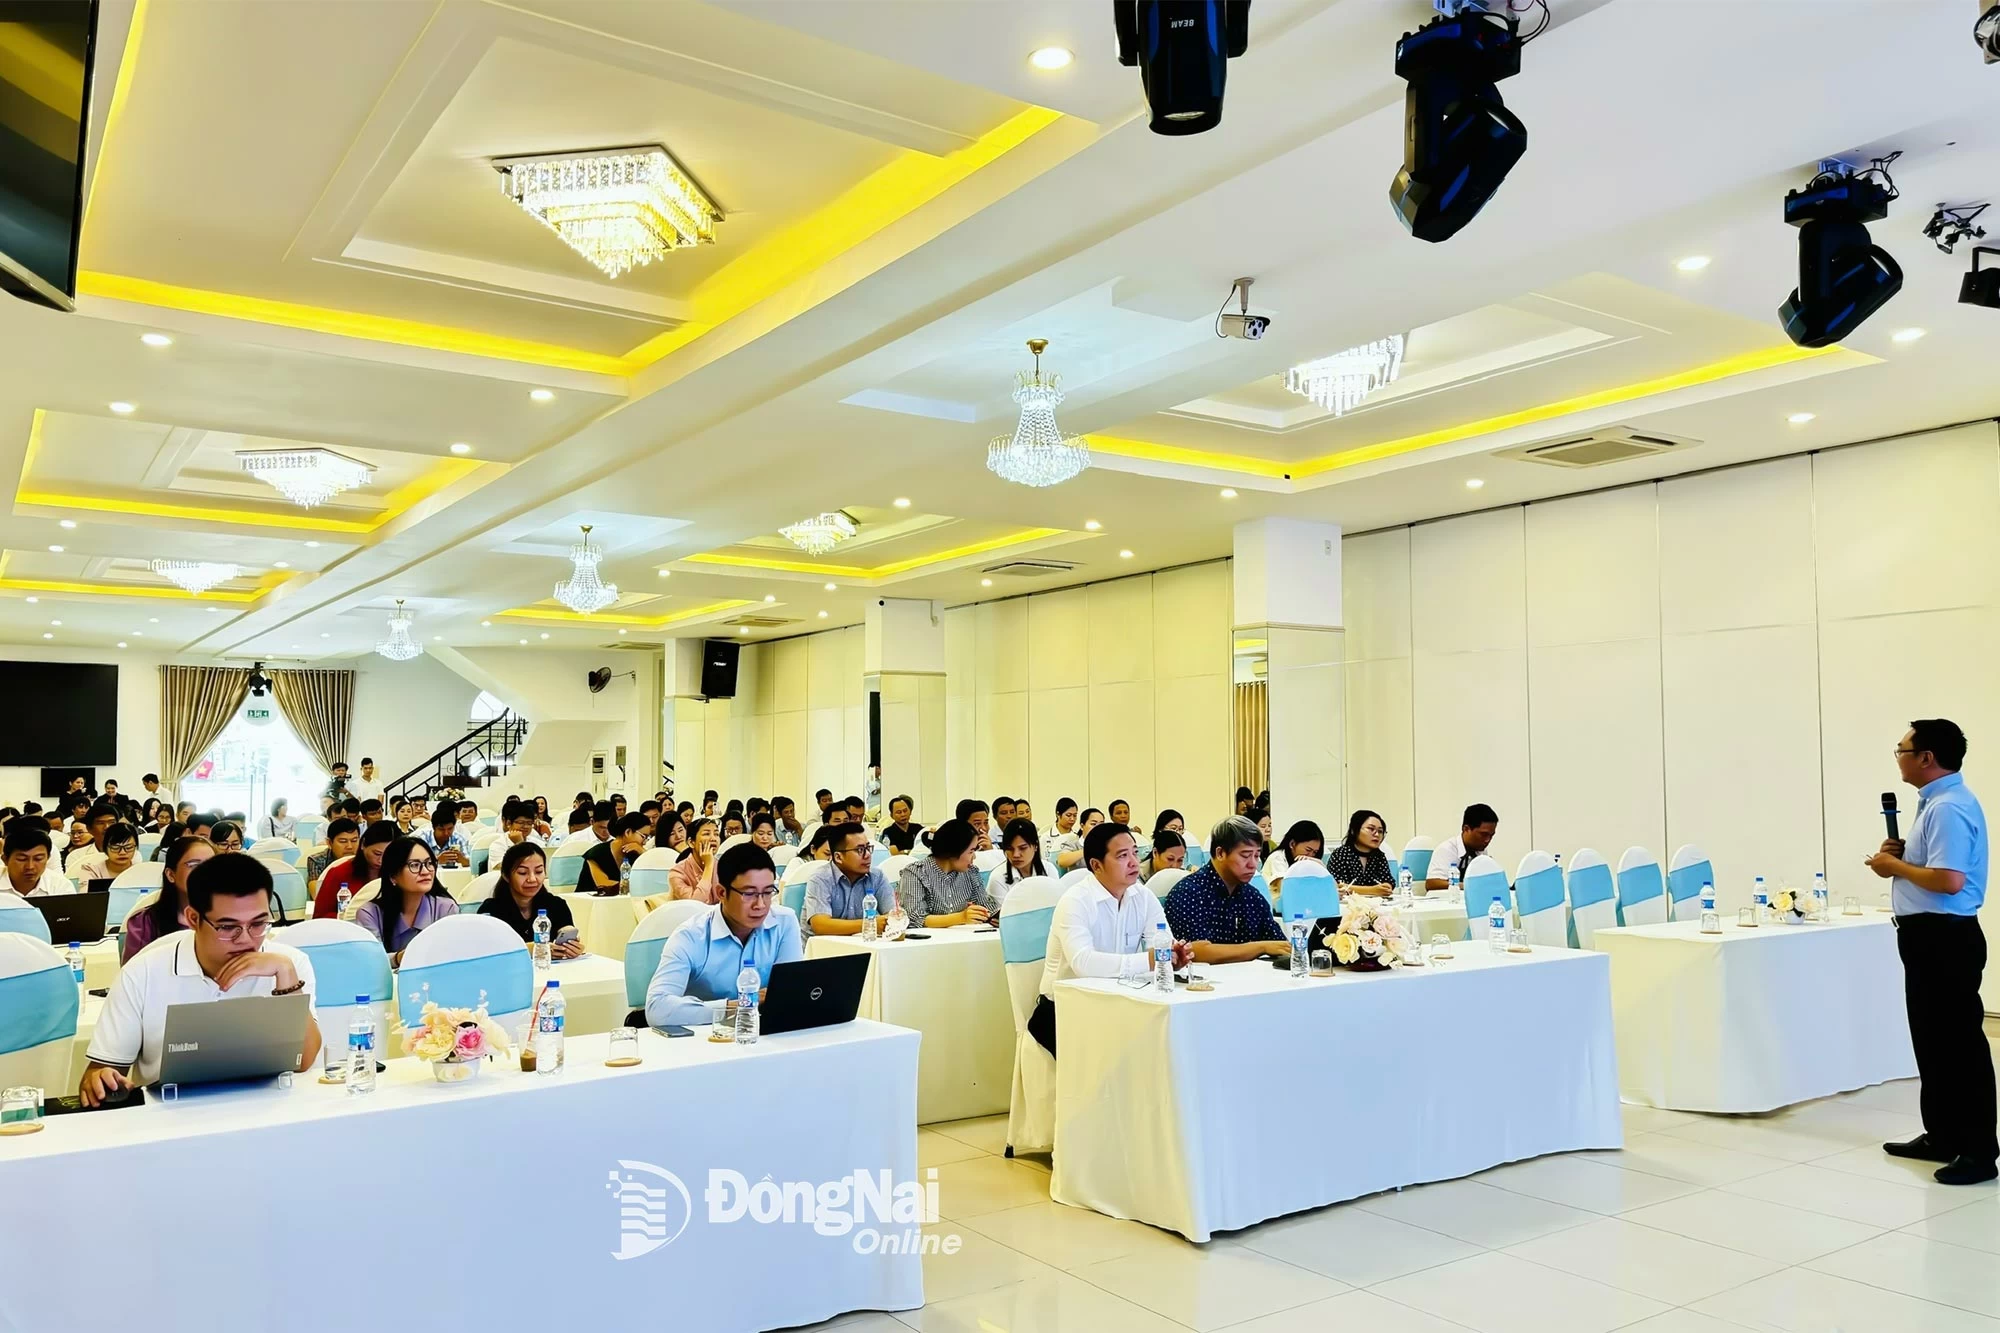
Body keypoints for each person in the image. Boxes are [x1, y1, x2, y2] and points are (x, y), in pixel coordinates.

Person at [1864, 719, 1996, 1185]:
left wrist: (1894, 866)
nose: (1897, 756)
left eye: (1901, 749)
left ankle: (1979, 1152)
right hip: (1926, 936)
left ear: (1926, 757)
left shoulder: (1948, 807)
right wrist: (1899, 859)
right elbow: (1934, 869)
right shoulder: (1933, 803)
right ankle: (1941, 1134)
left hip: (1946, 937)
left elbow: (1949, 880)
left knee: (1959, 1045)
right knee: (1932, 1040)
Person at [81, 853, 320, 1105]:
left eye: (259, 924)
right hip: (170, 1116)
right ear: (193, 918)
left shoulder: (289, 963)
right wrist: (100, 1080)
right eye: (228, 927)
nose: (246, 939)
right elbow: (99, 1073)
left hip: (270, 1110)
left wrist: (287, 976)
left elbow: (304, 1062)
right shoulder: (143, 972)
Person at [1031, 822, 1191, 1054]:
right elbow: (1083, 963)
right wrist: (1151, 959)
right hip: (1065, 1013)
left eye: (1135, 853)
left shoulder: (1144, 897)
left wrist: (1174, 959)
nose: (1134, 862)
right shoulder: (1075, 901)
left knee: (1171, 1043)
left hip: (1120, 1003)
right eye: (1122, 856)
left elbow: (1162, 946)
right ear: (1096, 865)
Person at [644, 842, 802, 1028]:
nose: (760, 904)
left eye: (768, 892)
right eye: (749, 894)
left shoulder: (784, 922)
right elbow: (656, 1009)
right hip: (704, 1041)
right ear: (721, 892)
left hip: (765, 1036)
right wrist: (736, 1007)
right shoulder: (691, 936)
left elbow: (791, 993)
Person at [1164, 816, 1288, 964]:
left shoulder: (1252, 897)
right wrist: (1261, 947)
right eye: (1245, 856)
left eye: (1257, 855)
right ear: (1220, 853)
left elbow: (1279, 946)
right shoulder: (1187, 893)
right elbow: (1195, 952)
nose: (1253, 864)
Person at [352, 837, 458, 964]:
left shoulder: (446, 908)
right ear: (393, 876)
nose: (425, 871)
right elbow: (370, 961)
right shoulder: (370, 913)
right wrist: (398, 958)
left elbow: (453, 958)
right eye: (414, 865)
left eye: (429, 863)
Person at [121, 835, 216, 961]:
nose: (205, 873)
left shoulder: (234, 918)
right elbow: (132, 976)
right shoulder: (145, 922)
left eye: (212, 865)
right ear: (171, 875)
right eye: (194, 865)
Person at [479, 841, 579, 958]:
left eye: (539, 872)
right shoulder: (491, 910)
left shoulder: (556, 905)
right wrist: (531, 950)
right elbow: (486, 953)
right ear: (506, 876)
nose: (532, 879)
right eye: (523, 872)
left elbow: (565, 932)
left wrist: (571, 947)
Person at [803, 825, 897, 939]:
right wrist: (869, 924)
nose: (867, 855)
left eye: (868, 848)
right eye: (860, 850)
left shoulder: (877, 877)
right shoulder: (820, 879)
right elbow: (820, 925)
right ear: (838, 857)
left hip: (862, 947)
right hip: (824, 950)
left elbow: (894, 916)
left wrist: (891, 920)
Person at [898, 820, 996, 927]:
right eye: (971, 851)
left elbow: (986, 906)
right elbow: (914, 918)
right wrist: (961, 917)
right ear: (954, 851)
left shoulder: (971, 872)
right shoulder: (915, 873)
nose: (974, 857)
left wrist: (992, 916)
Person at [312, 819, 397, 918]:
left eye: (390, 856)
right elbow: (320, 915)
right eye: (377, 854)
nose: (382, 860)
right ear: (363, 844)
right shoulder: (339, 872)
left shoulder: (402, 874)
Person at [1425, 803, 1499, 892]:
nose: (1488, 840)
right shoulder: (1447, 849)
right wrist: (1466, 886)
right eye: (1483, 835)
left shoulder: (1481, 851)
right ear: (1466, 829)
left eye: (1491, 835)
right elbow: (1432, 883)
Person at [1328, 810, 1395, 896]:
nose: (1377, 834)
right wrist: (1373, 890)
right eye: (1371, 829)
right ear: (1354, 830)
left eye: (1380, 831)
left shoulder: (1379, 856)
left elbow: (1388, 881)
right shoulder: (1340, 854)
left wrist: (1387, 887)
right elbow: (1337, 886)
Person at [580, 813, 649, 893]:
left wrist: (643, 853)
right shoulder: (597, 853)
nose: (644, 842)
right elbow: (604, 884)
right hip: (588, 902)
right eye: (644, 837)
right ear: (628, 832)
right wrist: (638, 886)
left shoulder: (635, 853)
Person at [988, 818, 1048, 904]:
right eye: (1010, 849)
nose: (1016, 854)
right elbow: (1004, 915)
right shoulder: (998, 879)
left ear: (1035, 846)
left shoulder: (1048, 869)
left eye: (1022, 848)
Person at [3, 820, 62, 898]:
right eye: (22, 859)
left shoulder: (60, 887)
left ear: (48, 858)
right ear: (5, 859)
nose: (30, 866)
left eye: (38, 859)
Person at [670, 817, 721, 903]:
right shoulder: (677, 873)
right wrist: (708, 866)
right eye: (706, 834)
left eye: (716, 834)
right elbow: (695, 905)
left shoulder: (723, 866)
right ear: (691, 842)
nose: (713, 839)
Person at [306, 817, 360, 889]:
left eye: (354, 841)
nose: (349, 846)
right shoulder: (317, 860)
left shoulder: (367, 859)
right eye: (343, 841)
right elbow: (317, 893)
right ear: (329, 843)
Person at [414, 801, 471, 869]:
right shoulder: (422, 839)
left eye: (450, 829)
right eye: (441, 830)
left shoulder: (458, 838)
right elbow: (415, 864)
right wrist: (436, 861)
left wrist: (462, 860)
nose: (446, 833)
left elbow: (470, 863)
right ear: (433, 828)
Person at [1270, 820, 1326, 886]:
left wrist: (1320, 865)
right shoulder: (1277, 858)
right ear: (1292, 844)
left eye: (1315, 852)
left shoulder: (1308, 862)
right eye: (1308, 850)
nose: (1311, 855)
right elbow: (1287, 889)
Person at [1043, 798, 1079, 866]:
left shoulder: (1076, 837)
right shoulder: (1046, 837)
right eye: (1068, 815)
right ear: (1058, 814)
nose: (1072, 819)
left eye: (1075, 815)